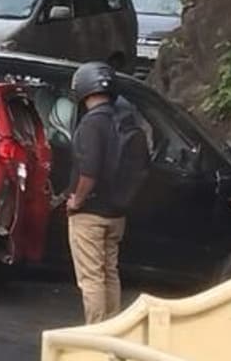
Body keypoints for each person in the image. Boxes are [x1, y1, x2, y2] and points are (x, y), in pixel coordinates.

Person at [65, 61, 150, 324]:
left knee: (91, 279)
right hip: (117, 214)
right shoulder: (124, 119)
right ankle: (113, 330)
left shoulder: (92, 124)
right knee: (109, 273)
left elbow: (88, 171)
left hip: (89, 214)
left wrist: (75, 201)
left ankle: (96, 336)